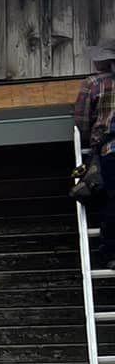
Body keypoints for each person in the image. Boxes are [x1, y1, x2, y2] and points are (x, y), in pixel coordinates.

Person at [74, 40, 115, 263]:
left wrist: (92, 139)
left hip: (110, 149)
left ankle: (111, 252)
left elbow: (81, 120)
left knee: (111, 200)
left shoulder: (93, 83)